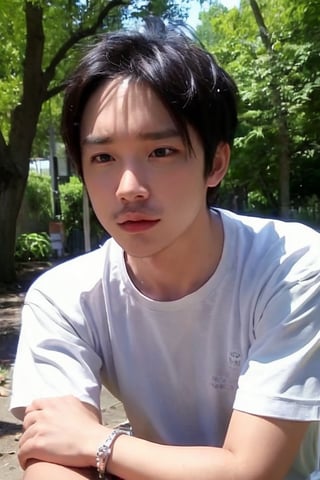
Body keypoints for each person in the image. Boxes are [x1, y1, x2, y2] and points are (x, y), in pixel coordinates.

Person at [10, 16, 320, 480]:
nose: (129, 188)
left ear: (215, 163)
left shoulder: (290, 264)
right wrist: (80, 451)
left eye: (161, 152)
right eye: (103, 158)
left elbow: (253, 471)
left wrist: (99, 443)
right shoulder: (63, 297)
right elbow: (52, 454)